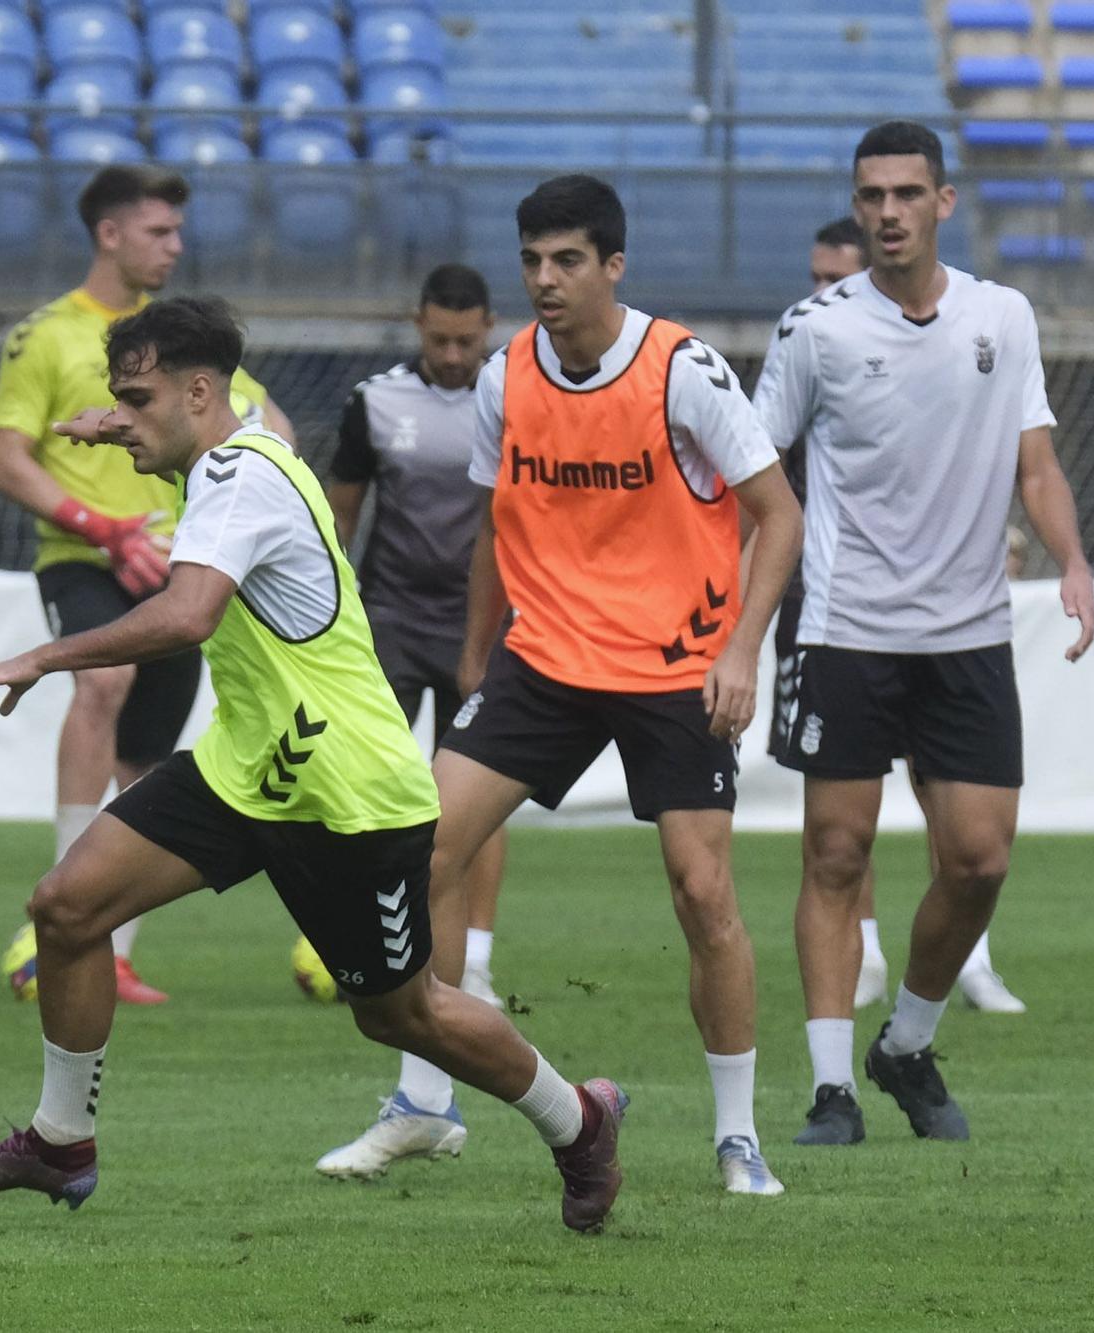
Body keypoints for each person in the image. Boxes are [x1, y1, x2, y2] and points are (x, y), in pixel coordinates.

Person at [0, 296, 630, 1236]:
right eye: (115, 402)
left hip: (347, 791)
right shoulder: (226, 446)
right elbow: (213, 436)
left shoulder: (238, 476)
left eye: (137, 400)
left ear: (196, 391)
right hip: (249, 768)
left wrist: (38, 656)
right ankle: (61, 1143)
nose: (122, 418)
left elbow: (186, 616)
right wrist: (119, 425)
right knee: (66, 907)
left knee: (402, 1015)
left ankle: (578, 1121)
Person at [318, 175, 805, 1197]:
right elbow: (500, 520)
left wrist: (738, 651)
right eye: (532, 260)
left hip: (673, 665)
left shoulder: (683, 371)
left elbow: (777, 515)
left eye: (566, 260)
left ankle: (735, 1135)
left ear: (612, 266)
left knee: (701, 891)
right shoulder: (507, 375)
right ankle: (422, 1101)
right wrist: (474, 657)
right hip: (543, 660)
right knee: (423, 849)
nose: (544, 279)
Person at [752, 121, 1094, 1147]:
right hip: (843, 628)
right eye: (872, 195)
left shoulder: (1003, 315)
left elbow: (1034, 463)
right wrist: (734, 612)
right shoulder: (811, 328)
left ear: (942, 202)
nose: (888, 211)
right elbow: (757, 476)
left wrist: (1071, 557)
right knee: (834, 852)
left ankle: (903, 1041)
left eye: (907, 192)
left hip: (965, 634)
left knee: (978, 862)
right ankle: (828, 1091)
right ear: (856, 208)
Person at [0, 165, 297, 1006]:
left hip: (173, 569)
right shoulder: (46, 336)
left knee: (148, 760)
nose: (176, 245)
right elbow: (7, 455)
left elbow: (269, 421)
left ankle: (106, 944)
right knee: (102, 680)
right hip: (83, 556)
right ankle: (60, 907)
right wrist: (103, 527)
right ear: (110, 234)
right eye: (160, 231)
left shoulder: (179, 347)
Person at [769, 218, 1029, 1017]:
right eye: (814, 272)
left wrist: (1010, 534)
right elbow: (756, 466)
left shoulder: (963, 331)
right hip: (833, 606)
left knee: (962, 828)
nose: (822, 287)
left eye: (832, 272)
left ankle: (966, 958)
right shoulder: (814, 341)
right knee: (843, 830)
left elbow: (977, 454)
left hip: (950, 616)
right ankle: (868, 955)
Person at [324, 262, 510, 1012]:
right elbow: (337, 517)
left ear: (488, 328)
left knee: (482, 796)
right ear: (418, 325)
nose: (456, 354)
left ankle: (479, 965)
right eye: (441, 339)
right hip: (390, 626)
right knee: (371, 794)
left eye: (468, 340)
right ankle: (371, 948)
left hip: (488, 625)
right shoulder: (374, 402)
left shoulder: (516, 397)